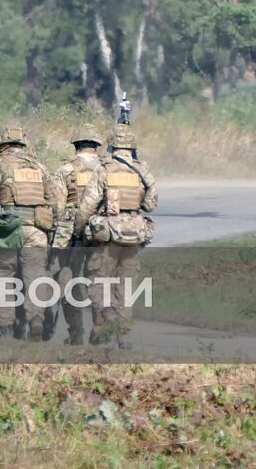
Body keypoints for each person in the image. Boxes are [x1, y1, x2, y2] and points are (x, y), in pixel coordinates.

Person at [76, 123, 158, 347]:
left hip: (108, 236)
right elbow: (151, 204)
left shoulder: (104, 169)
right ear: (132, 145)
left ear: (111, 143)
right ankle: (124, 337)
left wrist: (78, 231)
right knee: (126, 289)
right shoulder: (142, 170)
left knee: (97, 283)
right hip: (134, 236)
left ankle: (109, 317)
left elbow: (87, 206)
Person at [0, 125, 58, 340]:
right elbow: (54, 200)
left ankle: (5, 328)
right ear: (23, 145)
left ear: (3, 145)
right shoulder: (40, 167)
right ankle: (36, 321)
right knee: (35, 278)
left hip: (8, 229)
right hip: (37, 230)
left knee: (4, 276)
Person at [50, 122, 107, 345]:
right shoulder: (107, 167)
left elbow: (57, 206)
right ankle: (99, 326)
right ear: (96, 145)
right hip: (100, 231)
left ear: (76, 144)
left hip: (72, 233)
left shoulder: (66, 169)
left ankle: (76, 333)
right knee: (97, 281)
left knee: (67, 280)